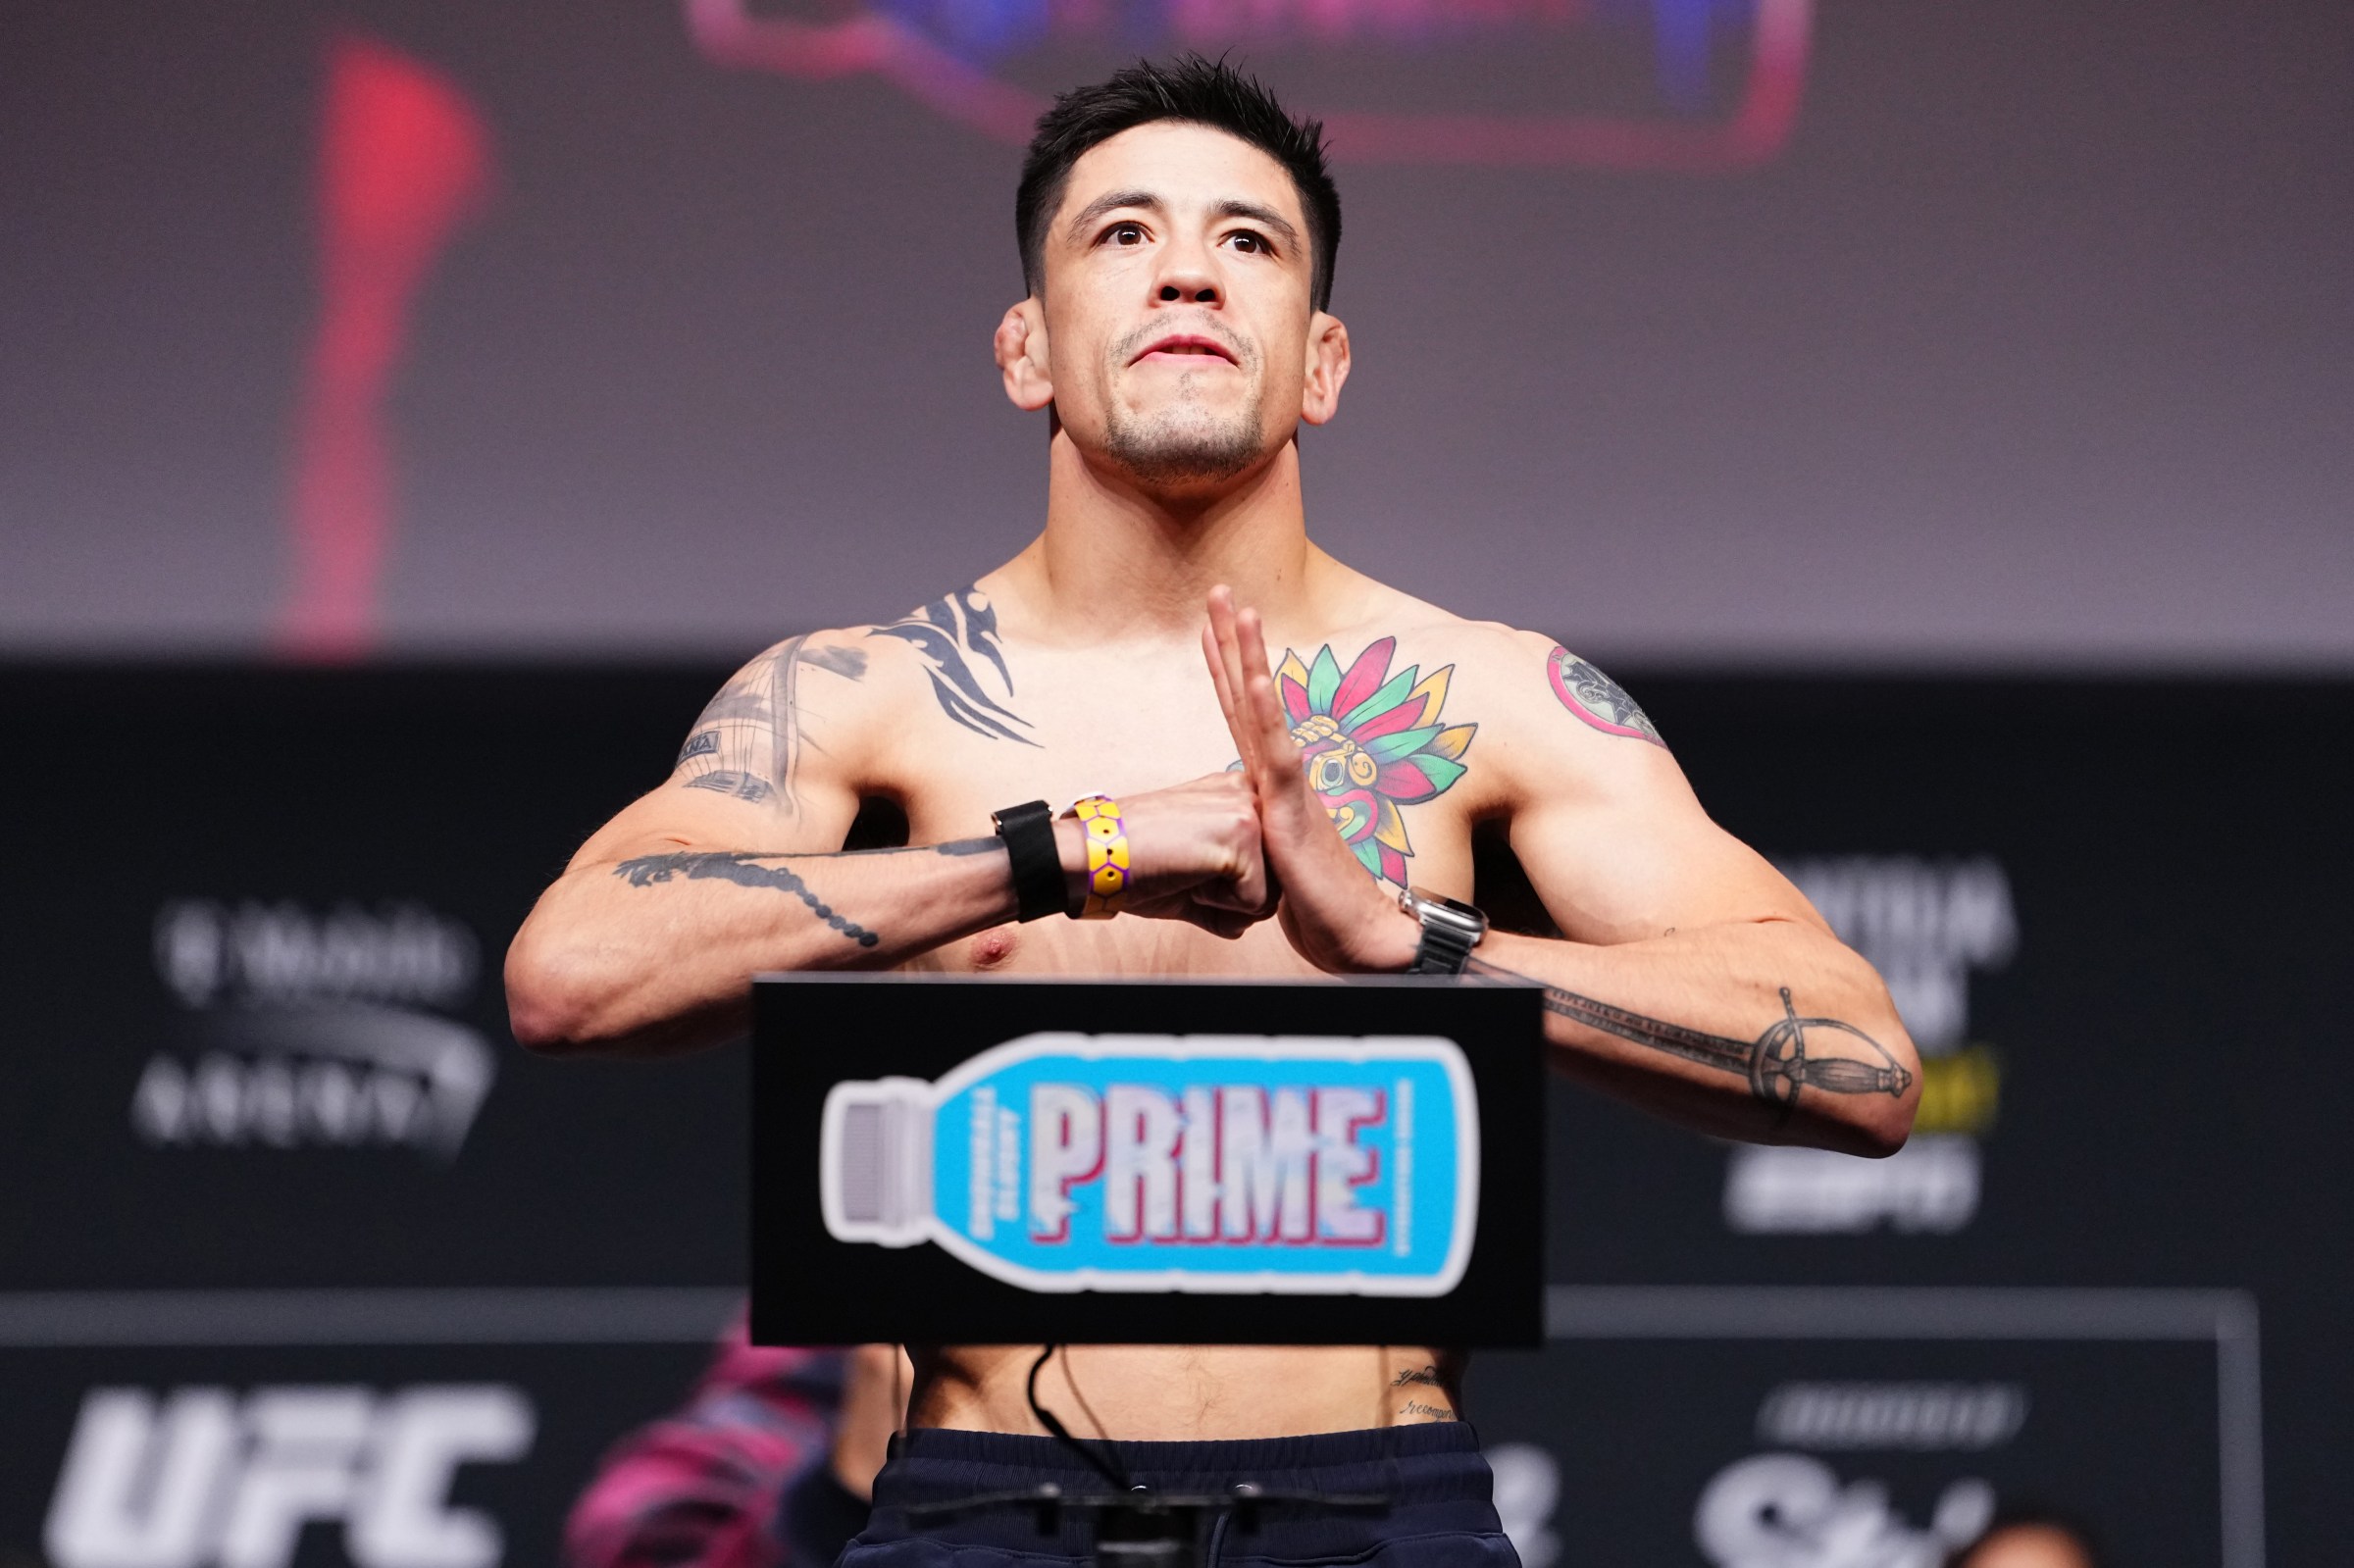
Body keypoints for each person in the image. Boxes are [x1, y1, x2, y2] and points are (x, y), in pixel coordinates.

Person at [506, 54, 1920, 1565]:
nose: (1187, 268)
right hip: (981, 1513)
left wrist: (1416, 945)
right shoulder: (865, 693)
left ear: (1321, 363)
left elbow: (1862, 1064)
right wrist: (1065, 851)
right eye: (1122, 235)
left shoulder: (1489, 699)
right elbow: (569, 976)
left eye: (1247, 240)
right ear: (1023, 348)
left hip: (1372, 1506)